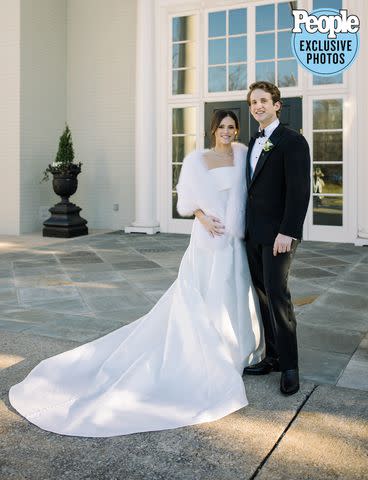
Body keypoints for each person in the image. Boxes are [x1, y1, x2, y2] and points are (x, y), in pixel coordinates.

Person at [9, 110, 264, 438]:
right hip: (208, 238)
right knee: (205, 293)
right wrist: (202, 217)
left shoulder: (244, 155)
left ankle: (237, 346)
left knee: (234, 290)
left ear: (237, 130)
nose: (227, 131)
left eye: (231, 127)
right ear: (213, 130)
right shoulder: (196, 160)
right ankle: (208, 353)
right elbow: (187, 201)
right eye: (221, 127)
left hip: (235, 239)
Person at [243, 81, 310, 396]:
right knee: (262, 297)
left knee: (278, 297)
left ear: (277, 105)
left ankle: (291, 367)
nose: (258, 106)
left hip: (279, 236)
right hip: (253, 235)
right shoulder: (252, 141)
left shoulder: (292, 141)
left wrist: (289, 231)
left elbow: (299, 192)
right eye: (253, 102)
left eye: (263, 101)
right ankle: (272, 357)